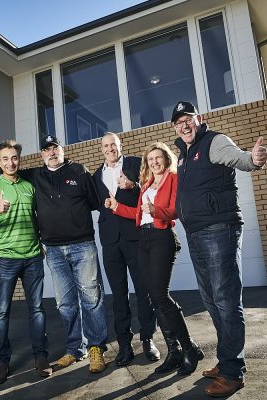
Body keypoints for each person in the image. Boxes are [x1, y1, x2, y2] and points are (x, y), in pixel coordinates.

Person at [0, 133, 109, 373]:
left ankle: (96, 348)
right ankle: (74, 349)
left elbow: (96, 202)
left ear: (62, 150)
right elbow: (5, 170)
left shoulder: (79, 171)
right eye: (47, 150)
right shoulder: (35, 176)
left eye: (55, 148)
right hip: (53, 250)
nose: (51, 153)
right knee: (65, 303)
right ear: (42, 154)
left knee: (91, 298)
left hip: (82, 245)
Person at [170, 101, 267, 397]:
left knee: (225, 301)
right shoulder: (183, 155)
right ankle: (226, 361)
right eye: (178, 122)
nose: (184, 125)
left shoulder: (215, 141)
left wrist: (254, 158)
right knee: (211, 300)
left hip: (220, 229)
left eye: (188, 119)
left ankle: (232, 372)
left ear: (198, 119)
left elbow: (241, 159)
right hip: (197, 234)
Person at [105, 142, 204, 377]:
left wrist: (155, 210)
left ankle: (189, 348)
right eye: (150, 160)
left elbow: (176, 210)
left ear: (166, 159)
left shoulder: (173, 179)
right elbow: (139, 214)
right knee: (154, 297)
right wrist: (117, 206)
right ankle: (174, 350)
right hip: (143, 239)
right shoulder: (147, 184)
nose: (154, 162)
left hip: (162, 237)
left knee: (161, 295)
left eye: (158, 158)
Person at [0, 140, 51, 384]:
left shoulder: (29, 187)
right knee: (1, 313)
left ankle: (41, 357)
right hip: (5, 259)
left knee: (37, 309)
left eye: (14, 158)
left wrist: (40, 243)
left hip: (32, 257)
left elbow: (36, 218)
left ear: (19, 160)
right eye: (6, 159)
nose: (11, 163)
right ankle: (2, 362)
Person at [93, 132, 159, 367]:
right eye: (106, 146)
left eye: (113, 144)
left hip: (135, 236)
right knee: (119, 294)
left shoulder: (134, 163)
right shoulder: (96, 175)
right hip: (110, 241)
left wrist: (134, 185)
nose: (110, 148)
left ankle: (148, 338)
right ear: (101, 149)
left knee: (144, 289)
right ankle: (124, 344)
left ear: (120, 146)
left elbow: (151, 187)